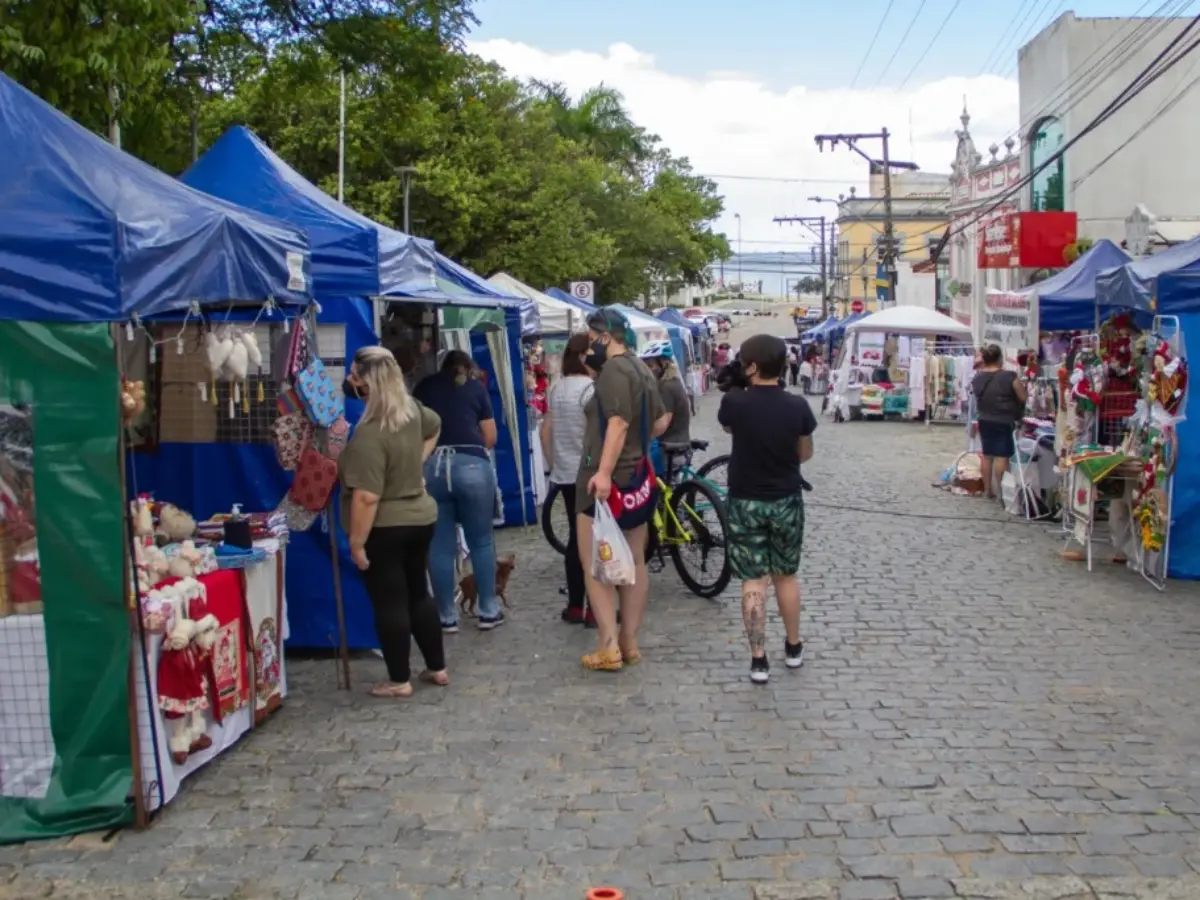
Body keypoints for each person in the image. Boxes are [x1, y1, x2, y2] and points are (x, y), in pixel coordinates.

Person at [339, 346, 446, 698]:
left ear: (366, 383)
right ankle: (436, 666)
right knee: (418, 592)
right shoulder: (412, 412)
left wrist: (356, 542)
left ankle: (399, 679)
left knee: (390, 601)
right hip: (420, 517)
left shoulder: (370, 433)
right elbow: (435, 425)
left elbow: (367, 497)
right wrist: (417, 462)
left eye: (354, 375)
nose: (350, 381)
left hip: (387, 525)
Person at [718, 334, 817, 685]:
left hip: (745, 499)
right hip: (786, 498)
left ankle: (758, 659)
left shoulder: (734, 403)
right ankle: (793, 647)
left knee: (752, 579)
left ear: (753, 366)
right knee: (785, 576)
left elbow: (730, 426)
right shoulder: (798, 407)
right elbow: (804, 453)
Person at [576, 308, 669, 671]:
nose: (589, 343)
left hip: (605, 480)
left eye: (590, 336)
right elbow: (661, 422)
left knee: (595, 562)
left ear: (602, 335)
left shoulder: (614, 369)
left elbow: (617, 422)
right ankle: (629, 641)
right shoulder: (641, 366)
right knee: (633, 561)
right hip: (636, 475)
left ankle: (609, 645)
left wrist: (603, 471)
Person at [413, 350, 504, 632]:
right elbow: (490, 437)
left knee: (439, 545)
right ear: (468, 368)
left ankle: (446, 617)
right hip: (472, 465)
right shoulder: (477, 389)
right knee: (481, 541)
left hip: (433, 466)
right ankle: (488, 611)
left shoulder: (424, 387)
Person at [540, 333, 594, 625]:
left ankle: (575, 604)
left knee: (575, 538)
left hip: (565, 474)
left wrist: (554, 464)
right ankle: (596, 608)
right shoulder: (591, 390)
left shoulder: (557, 389)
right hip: (588, 472)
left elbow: (545, 432)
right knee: (597, 540)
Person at [971, 343, 1027, 500]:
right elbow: (1023, 397)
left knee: (987, 455)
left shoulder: (977, 378)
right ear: (1000, 358)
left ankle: (987, 490)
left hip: (984, 419)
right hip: (1004, 419)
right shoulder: (1010, 376)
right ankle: (1001, 491)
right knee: (1002, 455)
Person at [639, 340, 692, 482]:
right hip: (678, 447)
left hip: (669, 451)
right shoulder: (673, 382)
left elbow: (661, 425)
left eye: (650, 365)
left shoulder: (666, 387)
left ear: (663, 364)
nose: (648, 370)